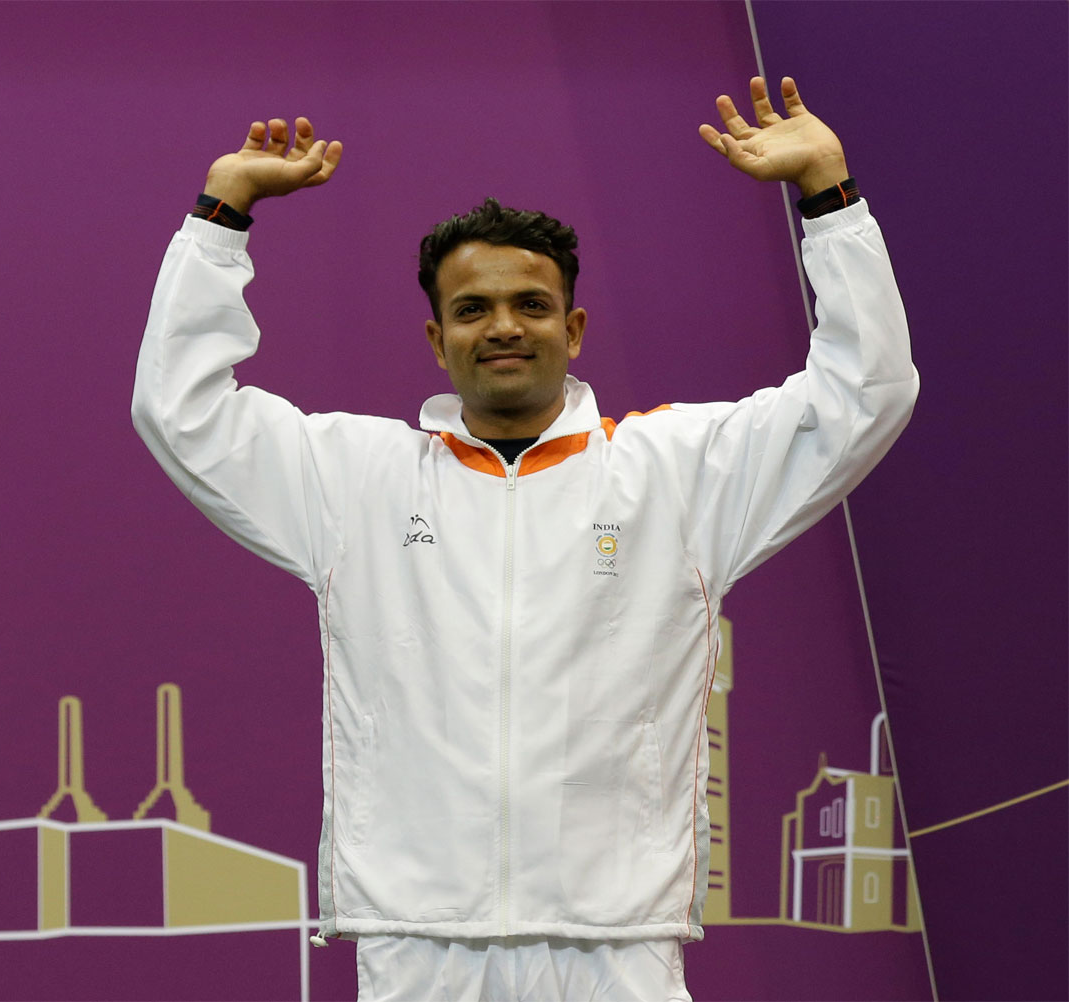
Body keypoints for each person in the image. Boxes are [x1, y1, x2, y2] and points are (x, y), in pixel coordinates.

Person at [132, 78, 917, 1002]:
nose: (503, 326)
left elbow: (865, 393)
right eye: (473, 310)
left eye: (532, 305)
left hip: (613, 942)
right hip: (418, 937)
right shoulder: (354, 478)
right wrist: (224, 211)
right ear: (437, 339)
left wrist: (827, 191)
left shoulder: (676, 471)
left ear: (573, 328)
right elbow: (179, 410)